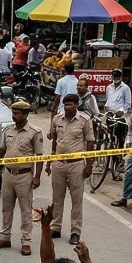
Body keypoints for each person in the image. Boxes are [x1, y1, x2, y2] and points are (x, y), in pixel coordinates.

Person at [0, 100, 44, 255]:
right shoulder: (7, 130)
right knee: (6, 208)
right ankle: (4, 237)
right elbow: (1, 152)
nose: (14, 116)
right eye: (13, 113)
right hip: (7, 174)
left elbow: (39, 156)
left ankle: (26, 242)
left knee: (26, 210)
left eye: (17, 113)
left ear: (25, 115)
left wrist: (37, 176)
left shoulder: (34, 132)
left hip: (24, 175)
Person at [48, 93, 95, 244]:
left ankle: (75, 231)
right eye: (65, 104)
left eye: (70, 104)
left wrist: (89, 165)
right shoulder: (57, 120)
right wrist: (49, 161)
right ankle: (56, 227)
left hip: (76, 164)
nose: (67, 107)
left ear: (77, 104)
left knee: (76, 199)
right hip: (59, 163)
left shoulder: (84, 121)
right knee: (57, 197)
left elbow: (90, 143)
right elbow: (54, 141)